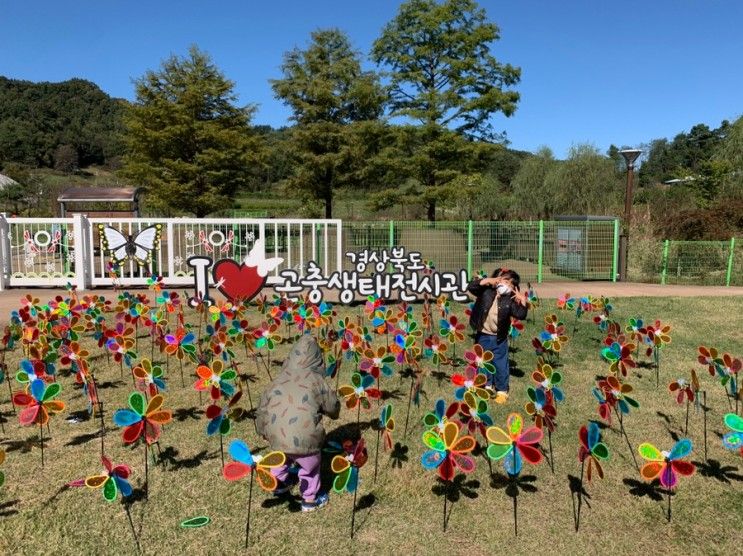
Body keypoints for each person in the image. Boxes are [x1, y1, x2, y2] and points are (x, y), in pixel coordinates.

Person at [256, 335, 340, 512]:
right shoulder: (317, 381)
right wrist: (334, 412)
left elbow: (262, 409)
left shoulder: (277, 380)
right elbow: (332, 406)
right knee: (310, 465)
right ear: (317, 360)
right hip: (306, 439)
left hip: (276, 437)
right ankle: (310, 498)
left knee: (280, 457)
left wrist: (263, 431)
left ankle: (279, 484)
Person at [467, 268, 529, 404]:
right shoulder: (486, 291)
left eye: (511, 284)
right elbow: (471, 286)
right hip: (483, 334)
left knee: (501, 363)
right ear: (497, 279)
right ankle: (486, 384)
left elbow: (520, 314)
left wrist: (523, 301)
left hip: (499, 337)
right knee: (483, 361)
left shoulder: (510, 300)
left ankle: (502, 389)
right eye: (505, 280)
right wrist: (488, 280)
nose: (507, 285)